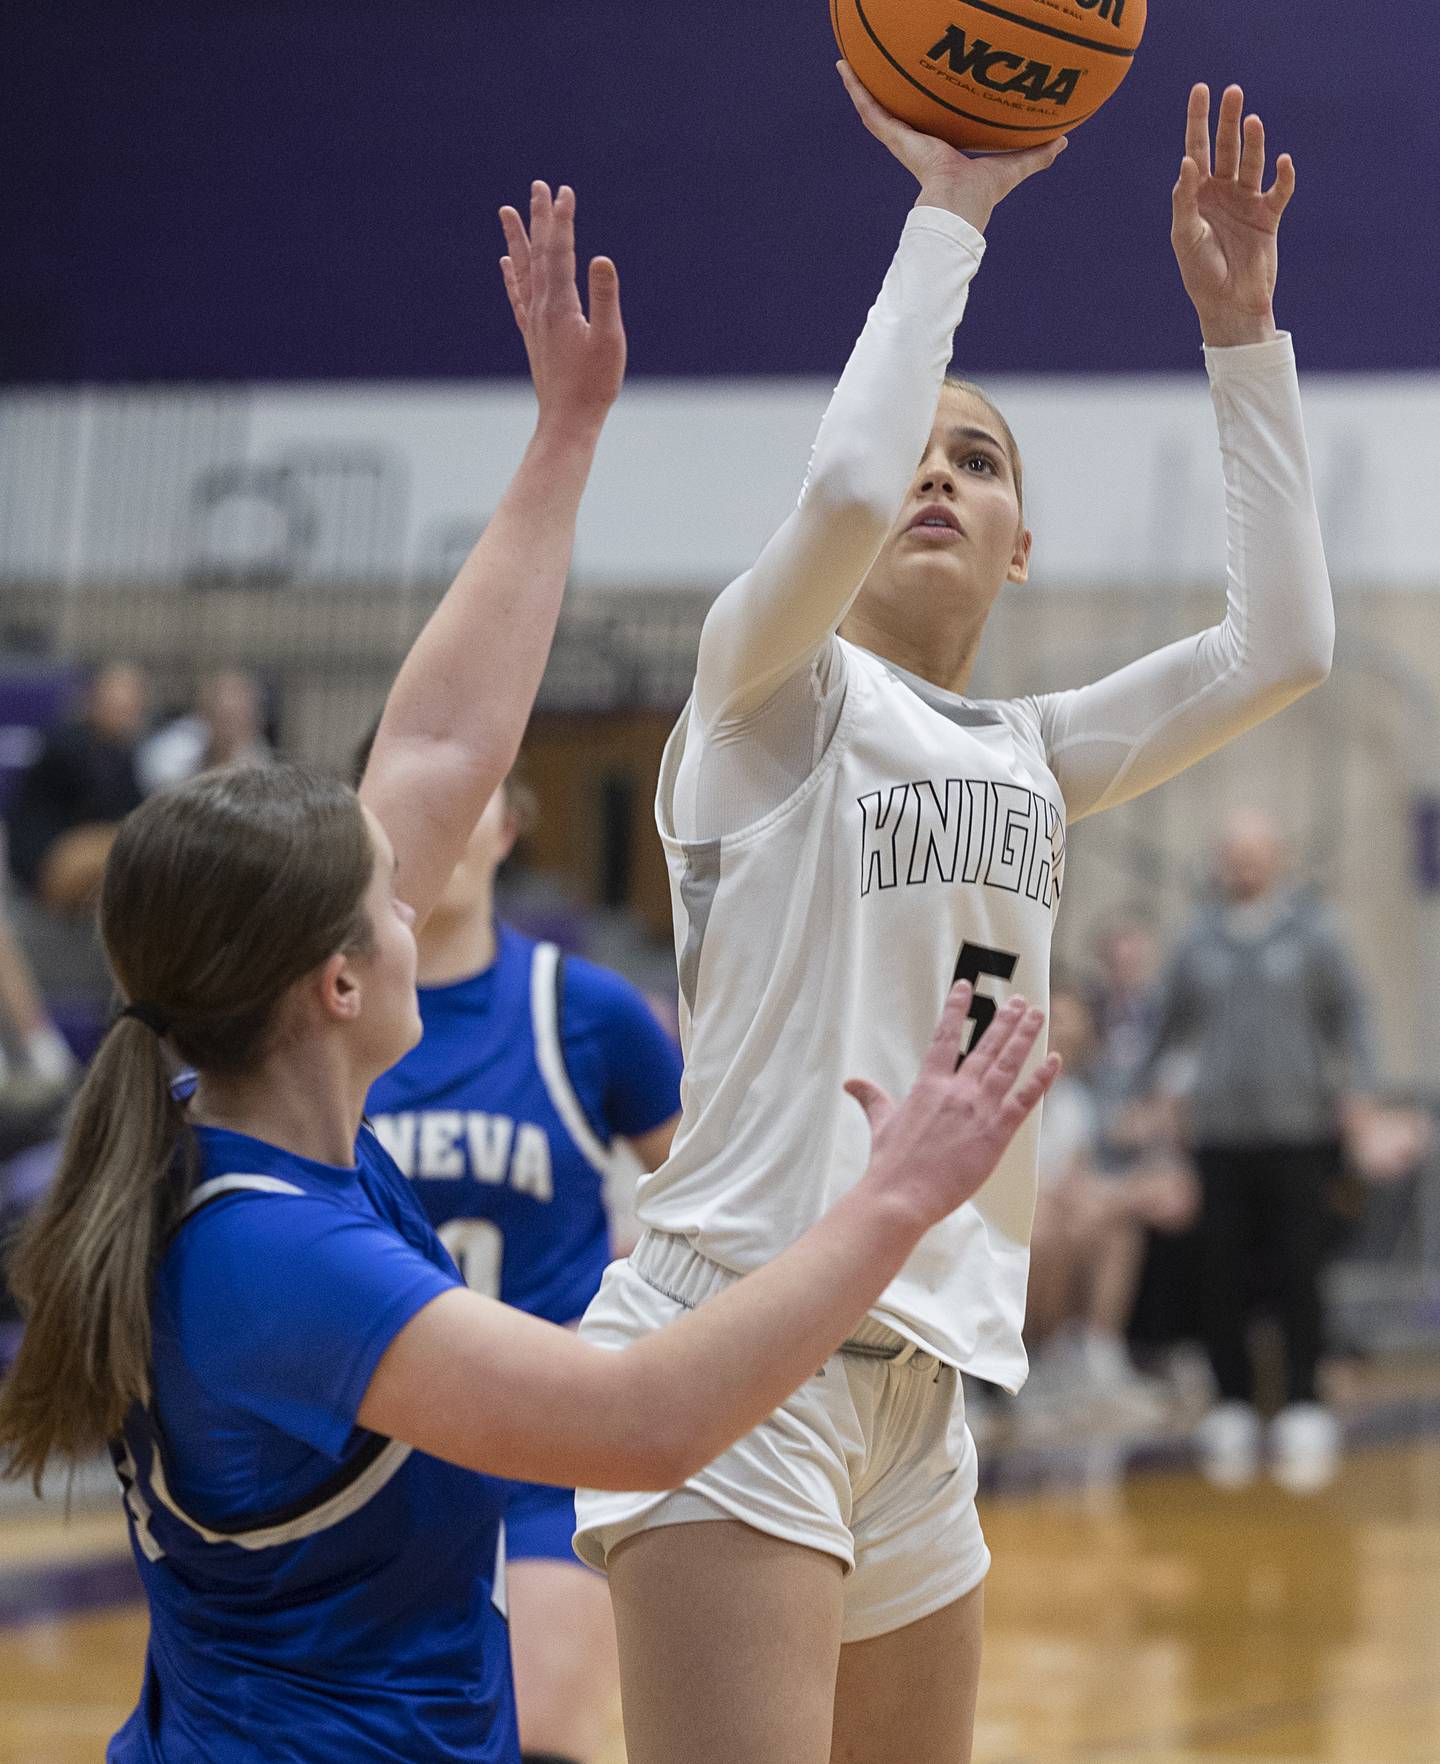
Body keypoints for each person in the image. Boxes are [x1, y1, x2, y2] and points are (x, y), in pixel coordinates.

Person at [0, 183, 1059, 1764]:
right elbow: (640, 1421)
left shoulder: (238, 1119)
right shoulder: (272, 1266)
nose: (423, 898)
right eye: (394, 906)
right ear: (333, 985)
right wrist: (894, 1203)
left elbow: (433, 746)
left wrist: (565, 434)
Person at [572, 69, 1334, 1764]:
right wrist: (954, 210)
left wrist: (1241, 337)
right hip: (734, 1338)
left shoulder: (1040, 753)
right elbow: (842, 490)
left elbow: (1284, 639)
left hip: (924, 1390)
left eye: (975, 463)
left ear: (1017, 545)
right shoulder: (763, 694)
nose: (932, 479)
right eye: (914, 449)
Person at [365, 759, 682, 1764]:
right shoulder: (320, 1020)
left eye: (476, 802)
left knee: (542, 1739)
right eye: (426, 797)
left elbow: (714, 1209)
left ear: (512, 826)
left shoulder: (588, 1012)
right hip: (365, 1459)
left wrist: (632, 1321)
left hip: (542, 1454)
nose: (450, 823)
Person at [1142, 808, 1381, 1492]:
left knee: (1301, 1268)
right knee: (1219, 1272)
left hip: (1300, 1131)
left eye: (1256, 854)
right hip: (1218, 1135)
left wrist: (1361, 1094)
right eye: (1234, 855)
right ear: (1220, 862)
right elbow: (1167, 1028)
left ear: (1276, 859)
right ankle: (1233, 1401)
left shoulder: (1313, 935)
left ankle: (1304, 1398)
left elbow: (1351, 1016)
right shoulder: (1196, 941)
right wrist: (1148, 1103)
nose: (1245, 866)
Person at [4, 662, 147, 912]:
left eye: (131, 706)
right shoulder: (67, 745)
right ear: (95, 701)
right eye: (118, 704)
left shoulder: (123, 754)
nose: (126, 713)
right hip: (48, 861)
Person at [137, 669, 273, 793]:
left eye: (239, 718)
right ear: (205, 716)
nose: (229, 730)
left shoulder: (263, 767)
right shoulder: (176, 751)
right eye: (224, 718)